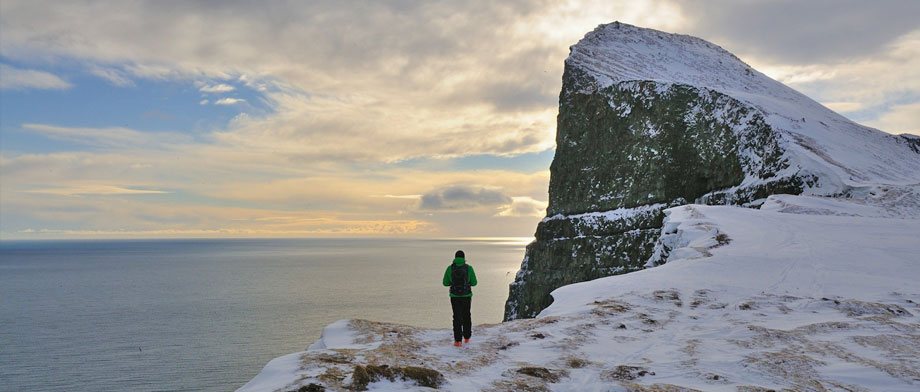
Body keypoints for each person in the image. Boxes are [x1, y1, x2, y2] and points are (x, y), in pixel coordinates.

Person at [442, 250, 477, 347]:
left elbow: (445, 283)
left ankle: (457, 341)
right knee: (466, 315)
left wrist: (452, 282)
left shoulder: (450, 268)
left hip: (454, 296)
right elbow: (474, 282)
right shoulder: (469, 268)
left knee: (456, 316)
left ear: (455, 257)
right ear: (464, 258)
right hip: (466, 296)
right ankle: (466, 338)